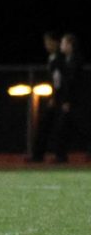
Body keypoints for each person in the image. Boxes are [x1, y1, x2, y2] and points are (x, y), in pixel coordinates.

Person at [31, 32, 82, 163]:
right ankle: (38, 155)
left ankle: (60, 156)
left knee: (66, 127)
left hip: (69, 100)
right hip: (60, 98)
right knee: (47, 123)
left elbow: (70, 82)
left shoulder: (72, 60)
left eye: (64, 43)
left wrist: (67, 101)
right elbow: (57, 80)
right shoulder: (59, 59)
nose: (61, 46)